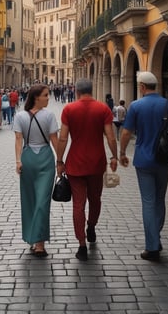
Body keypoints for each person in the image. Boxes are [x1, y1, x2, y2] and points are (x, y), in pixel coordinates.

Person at [119, 71, 168, 261]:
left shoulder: (136, 106)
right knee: (159, 200)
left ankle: (152, 245)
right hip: (163, 161)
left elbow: (125, 133)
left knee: (148, 202)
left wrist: (122, 153)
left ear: (141, 86)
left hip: (143, 160)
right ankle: (155, 237)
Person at [56, 78, 118, 261]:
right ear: (91, 90)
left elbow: (63, 138)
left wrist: (59, 161)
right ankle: (91, 226)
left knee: (78, 204)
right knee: (95, 199)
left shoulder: (69, 109)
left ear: (76, 91)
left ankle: (81, 244)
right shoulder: (103, 109)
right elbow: (110, 136)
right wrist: (114, 156)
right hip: (97, 162)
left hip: (75, 163)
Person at [13, 84, 59, 257]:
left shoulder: (20, 116)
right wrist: (60, 160)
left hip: (28, 157)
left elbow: (19, 140)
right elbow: (54, 140)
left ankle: (36, 240)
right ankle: (38, 242)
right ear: (36, 97)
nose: (48, 98)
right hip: (45, 158)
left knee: (33, 201)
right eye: (46, 95)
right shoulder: (49, 116)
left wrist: (18, 160)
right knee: (40, 201)